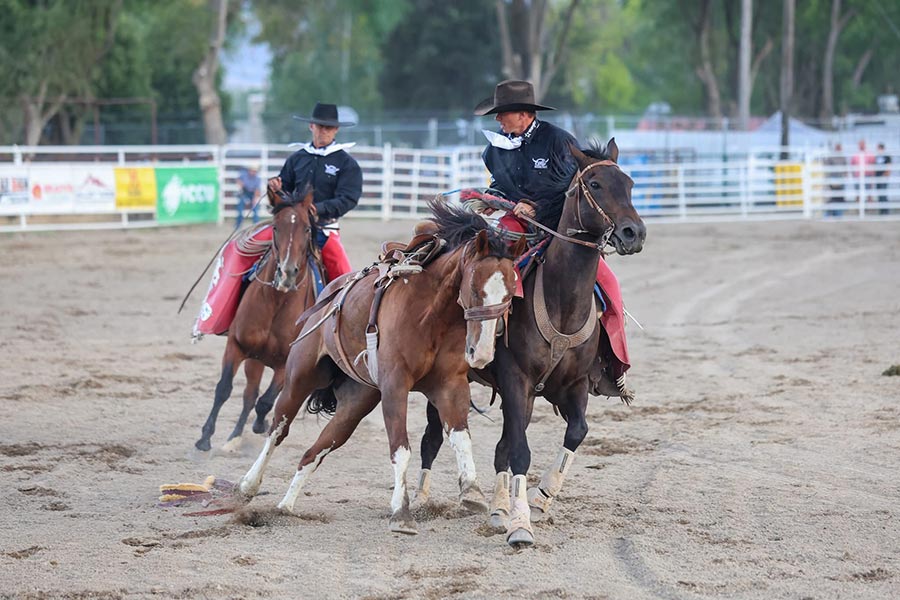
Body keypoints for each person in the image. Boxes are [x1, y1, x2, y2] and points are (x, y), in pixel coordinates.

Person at [472, 79, 630, 399]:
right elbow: (499, 186)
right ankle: (485, 341)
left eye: (503, 113)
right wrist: (495, 198)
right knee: (489, 268)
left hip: (561, 224)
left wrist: (538, 206)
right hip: (516, 221)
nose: (497, 119)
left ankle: (612, 365)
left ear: (525, 114)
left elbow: (578, 189)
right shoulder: (494, 148)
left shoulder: (559, 141)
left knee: (610, 286)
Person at [267, 102, 362, 280]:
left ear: (336, 130)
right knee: (254, 256)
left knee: (343, 276)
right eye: (320, 126)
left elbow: (349, 198)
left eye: (328, 127)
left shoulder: (346, 163)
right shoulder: (297, 158)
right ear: (312, 126)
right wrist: (276, 189)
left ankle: (341, 303)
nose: (323, 131)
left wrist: (319, 208)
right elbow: (284, 189)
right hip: (291, 223)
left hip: (323, 227)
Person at [234, 163, 262, 229]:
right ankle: (238, 225)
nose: (253, 172)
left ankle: (256, 225)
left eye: (255, 171)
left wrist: (254, 199)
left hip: (252, 194)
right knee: (240, 210)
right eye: (252, 170)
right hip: (244, 192)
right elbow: (238, 180)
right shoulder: (244, 175)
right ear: (249, 170)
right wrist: (241, 185)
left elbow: (257, 190)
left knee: (255, 209)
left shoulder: (257, 179)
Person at [824, 143, 847, 217]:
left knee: (839, 197)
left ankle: (838, 214)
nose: (839, 149)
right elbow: (827, 167)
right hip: (832, 180)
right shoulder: (831, 157)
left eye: (839, 148)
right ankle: (830, 214)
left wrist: (844, 176)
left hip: (840, 180)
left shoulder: (843, 158)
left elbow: (845, 168)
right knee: (831, 198)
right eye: (838, 148)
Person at [875, 143, 891, 215]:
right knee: (879, 194)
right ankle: (881, 211)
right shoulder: (877, 157)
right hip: (877, 178)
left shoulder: (887, 156)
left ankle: (885, 211)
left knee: (883, 194)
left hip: (883, 177)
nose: (877, 150)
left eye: (878, 148)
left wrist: (884, 176)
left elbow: (888, 167)